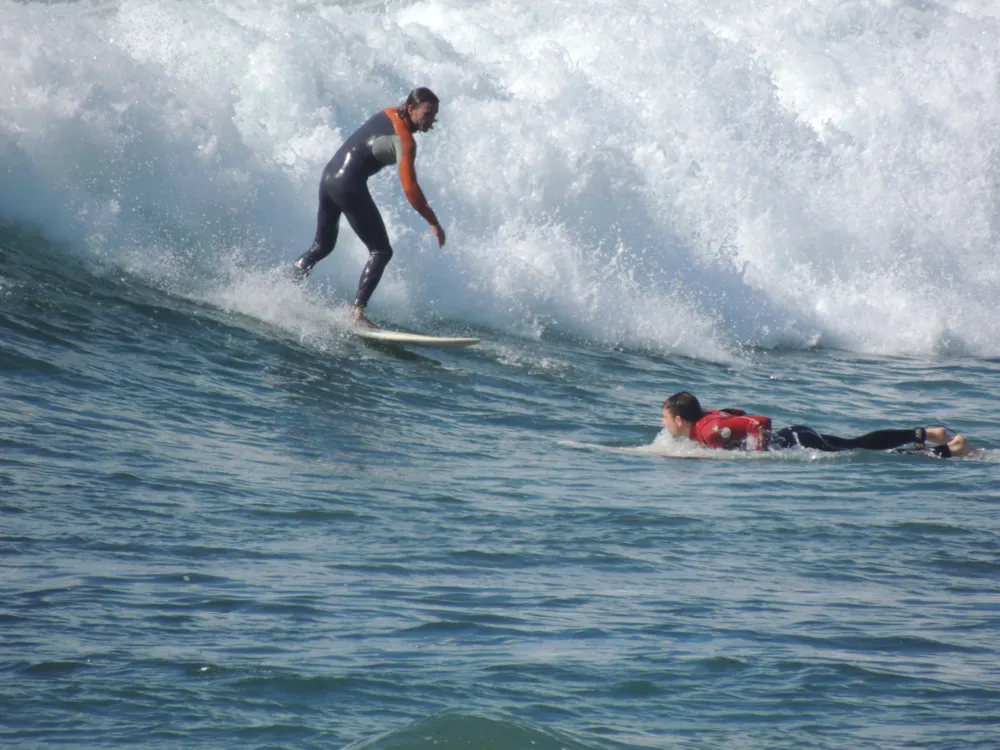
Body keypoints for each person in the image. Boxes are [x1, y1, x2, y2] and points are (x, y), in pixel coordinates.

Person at [293, 87, 446, 328]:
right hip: (347, 185)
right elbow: (411, 190)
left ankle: (286, 286)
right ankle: (356, 314)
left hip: (329, 177)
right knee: (381, 251)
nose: (431, 121)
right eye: (427, 114)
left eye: (434, 115)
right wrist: (434, 222)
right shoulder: (405, 141)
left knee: (322, 246)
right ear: (411, 109)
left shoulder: (388, 113)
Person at [660, 391, 975, 457]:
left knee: (865, 451)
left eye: (664, 417)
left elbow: (759, 421)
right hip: (797, 435)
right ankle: (929, 435)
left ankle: (950, 449)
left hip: (798, 441)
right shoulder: (706, 420)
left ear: (678, 419)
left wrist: (758, 454)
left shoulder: (706, 430)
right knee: (859, 444)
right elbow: (735, 411)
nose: (663, 424)